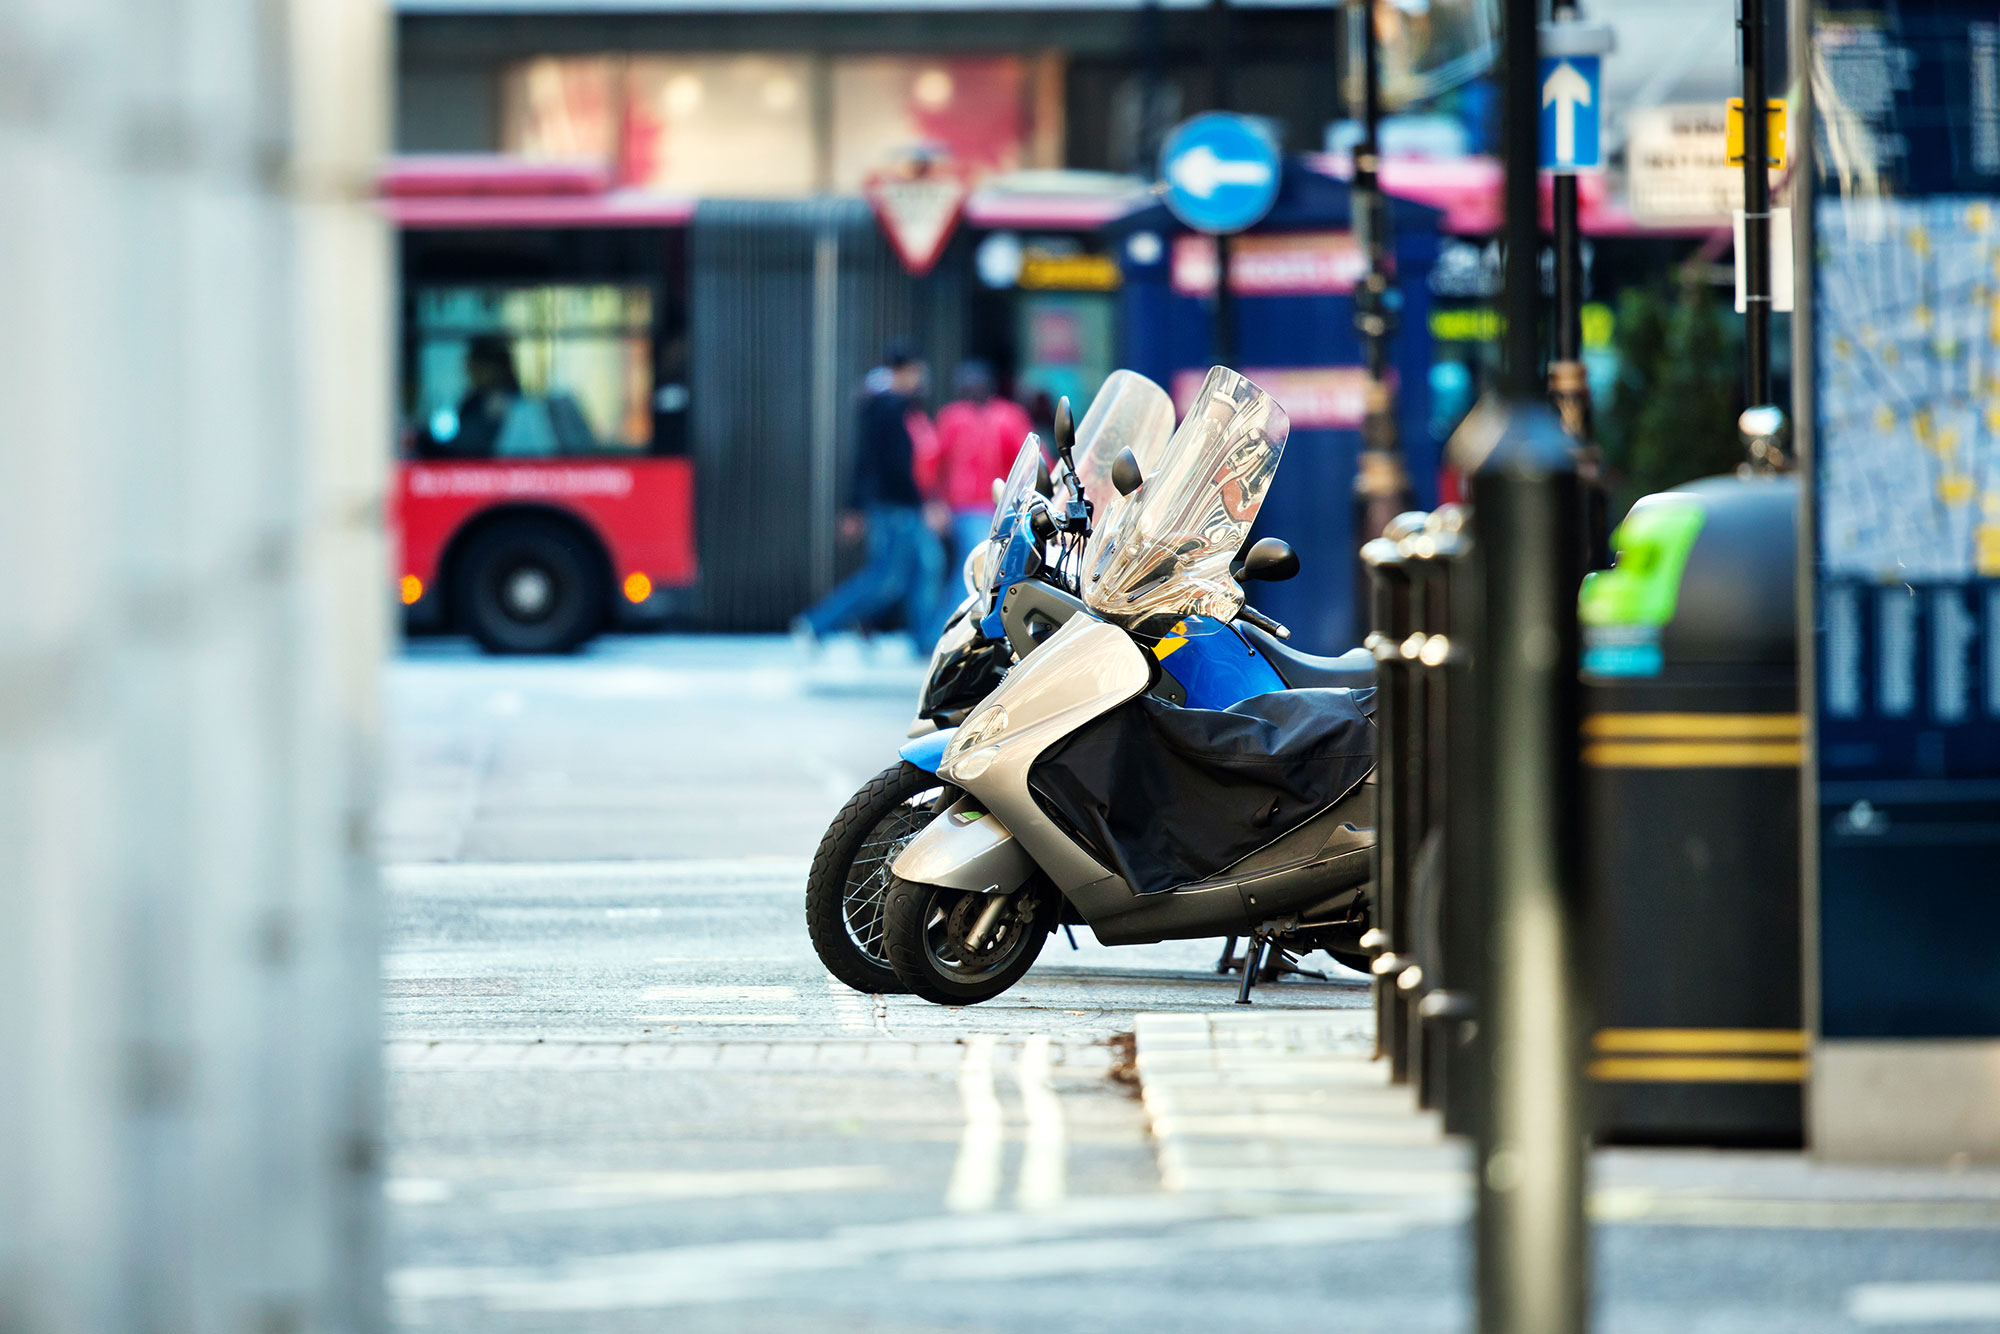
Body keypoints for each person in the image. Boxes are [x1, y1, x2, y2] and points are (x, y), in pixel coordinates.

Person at [793, 342, 944, 652]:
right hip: (896, 505)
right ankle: (817, 624)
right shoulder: (886, 406)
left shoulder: (899, 404)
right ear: (901, 371)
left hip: (905, 505)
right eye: (915, 371)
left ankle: (924, 640)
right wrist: (856, 507)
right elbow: (878, 462)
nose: (920, 378)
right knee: (886, 578)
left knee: (925, 566)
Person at [919, 360, 1035, 571]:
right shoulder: (952, 417)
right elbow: (933, 463)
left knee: (981, 563)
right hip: (965, 506)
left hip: (1004, 504)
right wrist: (934, 502)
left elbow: (1029, 458)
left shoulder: (1007, 416)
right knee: (977, 562)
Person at [422, 334, 519, 459]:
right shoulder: (476, 398)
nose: (469, 371)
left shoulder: (500, 401)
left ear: (493, 368)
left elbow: (470, 441)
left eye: (473, 365)